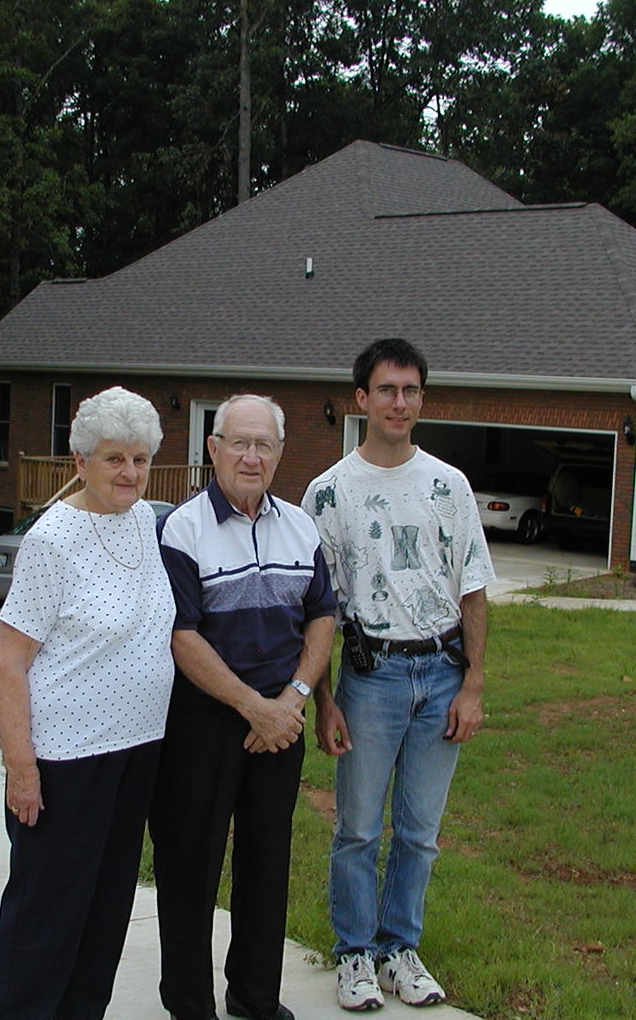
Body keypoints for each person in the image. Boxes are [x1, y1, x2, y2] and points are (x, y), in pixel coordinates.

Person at [302, 340, 495, 1012]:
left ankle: (398, 950)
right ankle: (354, 954)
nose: (398, 403)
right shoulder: (328, 493)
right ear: (361, 399)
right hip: (370, 676)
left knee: (419, 831)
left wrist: (471, 685)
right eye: (385, 390)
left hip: (440, 674)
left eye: (410, 390)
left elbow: (471, 588)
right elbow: (318, 610)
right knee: (357, 827)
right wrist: (323, 700)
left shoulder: (449, 486)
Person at [0, 386, 176, 1020]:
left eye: (141, 458)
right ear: (80, 463)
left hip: (136, 754)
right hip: (66, 762)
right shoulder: (54, 539)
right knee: (47, 915)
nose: (129, 472)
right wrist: (22, 769)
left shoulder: (149, 524)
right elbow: (6, 658)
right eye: (114, 458)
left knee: (105, 912)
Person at [152, 394, 337, 1020]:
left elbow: (321, 616)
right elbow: (182, 635)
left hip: (281, 723)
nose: (251, 456)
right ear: (213, 448)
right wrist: (251, 706)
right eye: (239, 442)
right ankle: (188, 1003)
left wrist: (293, 700)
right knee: (190, 865)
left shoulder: (300, 527)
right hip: (204, 722)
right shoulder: (182, 528)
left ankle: (255, 996)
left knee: (266, 863)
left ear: (281, 453)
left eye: (264, 445)